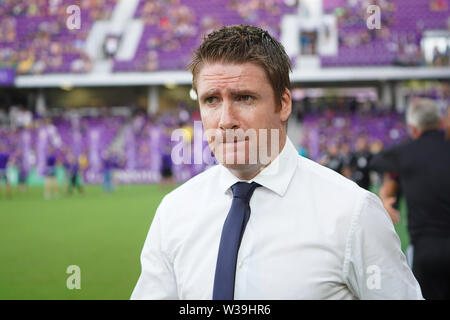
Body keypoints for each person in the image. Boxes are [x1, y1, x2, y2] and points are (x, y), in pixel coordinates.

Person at [131, 25, 422, 300]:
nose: (225, 120)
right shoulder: (174, 212)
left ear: (283, 104)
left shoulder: (353, 213)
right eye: (211, 100)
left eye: (244, 98)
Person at [370, 98, 450, 300]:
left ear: (413, 128)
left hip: (425, 251)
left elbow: (376, 161)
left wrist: (389, 185)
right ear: (441, 122)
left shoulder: (404, 154)